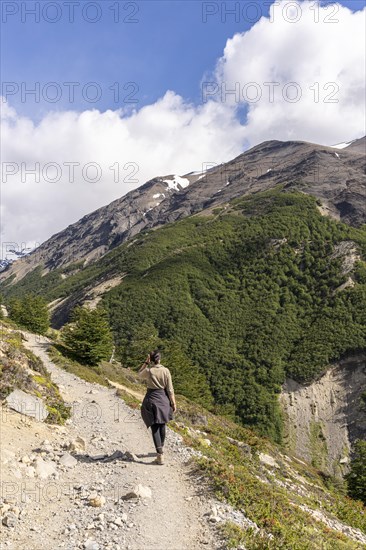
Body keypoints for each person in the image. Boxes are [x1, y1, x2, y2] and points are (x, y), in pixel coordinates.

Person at [138, 350, 177, 465]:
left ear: (151, 359)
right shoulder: (166, 371)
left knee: (154, 426)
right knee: (162, 424)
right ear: (159, 359)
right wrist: (173, 403)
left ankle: (160, 455)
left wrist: (145, 363)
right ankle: (161, 449)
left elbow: (139, 374)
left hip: (151, 399)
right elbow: (170, 389)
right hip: (163, 399)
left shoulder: (149, 371)